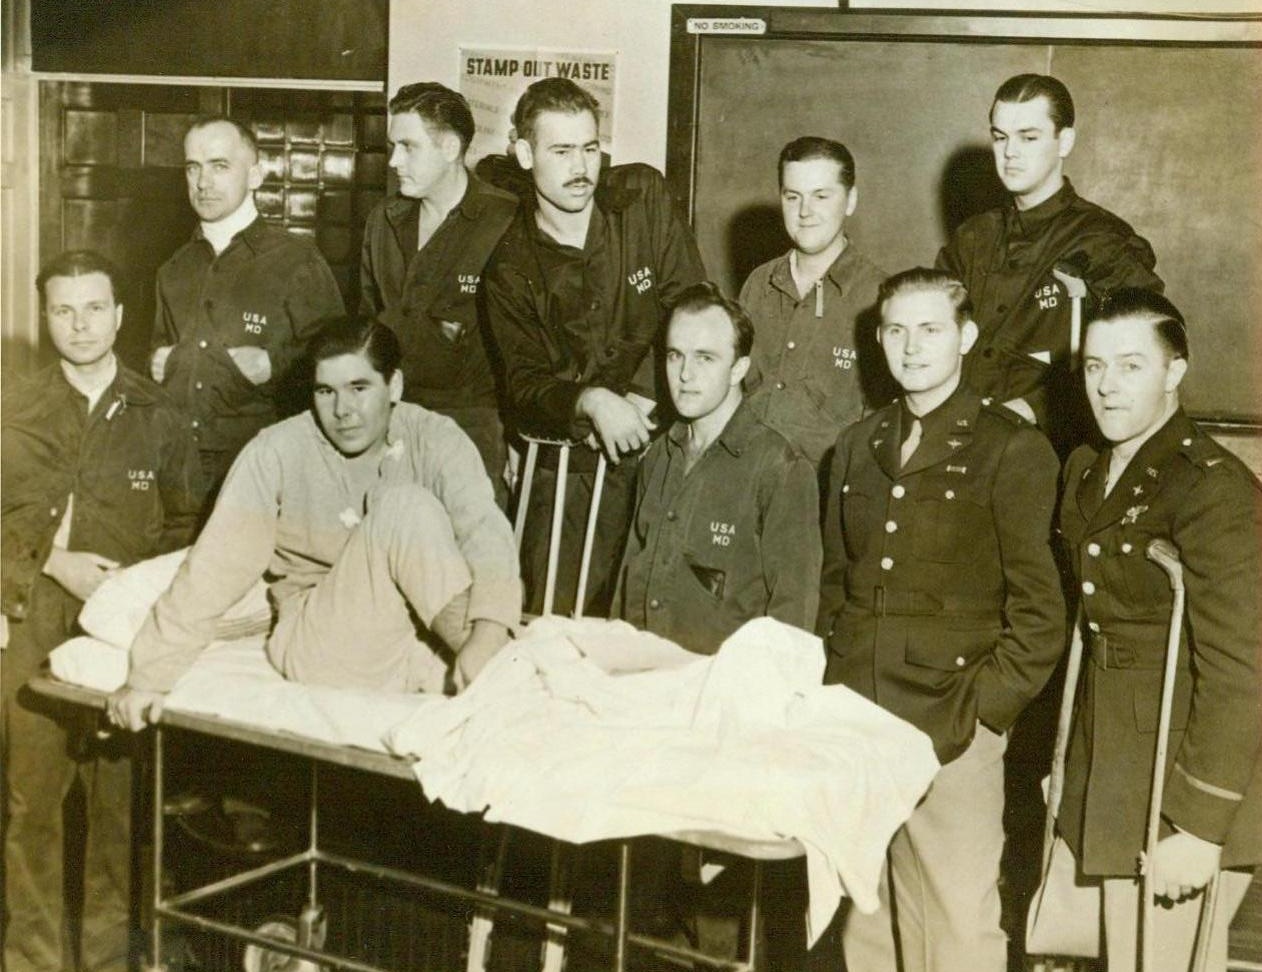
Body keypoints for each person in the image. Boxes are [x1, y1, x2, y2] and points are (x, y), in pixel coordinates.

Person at [817, 268, 1065, 972]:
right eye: (895, 330)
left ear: (966, 336)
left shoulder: (1009, 448)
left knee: (958, 926)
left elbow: (1041, 612)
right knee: (868, 918)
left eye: (930, 329)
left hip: (952, 723)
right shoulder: (855, 445)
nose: (912, 346)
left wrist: (987, 712)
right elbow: (837, 586)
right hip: (860, 714)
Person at [108, 318, 522, 731]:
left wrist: (488, 630)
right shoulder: (276, 451)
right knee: (405, 507)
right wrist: (147, 678)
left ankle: (494, 665)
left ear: (393, 386)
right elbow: (213, 569)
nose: (343, 411)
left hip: (413, 636)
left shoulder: (435, 436)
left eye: (359, 388)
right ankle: (496, 667)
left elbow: (485, 534)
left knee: (517, 695)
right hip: (320, 641)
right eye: (326, 391)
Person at [2, 251, 203, 972]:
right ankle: (30, 962)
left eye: (94, 308)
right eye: (63, 309)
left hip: (126, 638)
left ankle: (110, 961)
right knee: (31, 809)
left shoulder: (161, 414)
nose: (80, 325)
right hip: (32, 621)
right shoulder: (12, 410)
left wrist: (135, 596)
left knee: (120, 813)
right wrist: (55, 563)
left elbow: (189, 533)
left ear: (120, 315)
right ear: (44, 316)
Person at [1056, 288, 1260, 972]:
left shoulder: (1212, 488)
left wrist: (1200, 826)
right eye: (1093, 366)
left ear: (1175, 371)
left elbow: (1242, 670)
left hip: (1182, 779)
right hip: (1114, 768)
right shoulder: (1088, 469)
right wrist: (1067, 767)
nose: (1107, 386)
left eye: (1131, 365)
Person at [483, 77, 706, 616]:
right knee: (553, 625)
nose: (580, 167)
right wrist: (590, 401)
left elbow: (692, 301)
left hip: (663, 453)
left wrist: (642, 393)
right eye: (560, 151)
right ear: (523, 153)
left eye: (589, 148)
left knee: (654, 628)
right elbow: (525, 385)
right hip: (568, 473)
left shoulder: (641, 199)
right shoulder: (509, 269)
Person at [936, 74, 1163, 451]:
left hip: (1053, 448)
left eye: (1028, 137)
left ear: (1065, 141)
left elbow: (1143, 353)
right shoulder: (972, 237)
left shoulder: (1102, 240)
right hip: (963, 440)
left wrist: (1032, 408)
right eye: (1000, 137)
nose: (1010, 153)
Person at [618, 282, 821, 654]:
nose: (684, 375)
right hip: (647, 678)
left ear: (738, 368)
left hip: (726, 692)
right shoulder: (660, 456)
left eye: (705, 358)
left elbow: (793, 624)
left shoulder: (780, 470)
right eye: (675, 356)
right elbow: (629, 582)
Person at [152, 115, 345, 492]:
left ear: (255, 176)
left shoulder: (297, 261)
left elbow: (341, 361)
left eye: (219, 166)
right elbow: (157, 362)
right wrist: (160, 363)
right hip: (180, 468)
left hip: (264, 468)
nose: (203, 183)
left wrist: (275, 364)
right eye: (193, 168)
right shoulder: (172, 269)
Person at [359, 82, 518, 499]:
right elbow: (367, 319)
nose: (394, 161)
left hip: (474, 432)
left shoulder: (506, 221)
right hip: (391, 422)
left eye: (408, 147)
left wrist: (517, 435)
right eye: (393, 146)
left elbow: (525, 345)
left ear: (449, 148)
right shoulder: (383, 220)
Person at [739, 136, 887, 466]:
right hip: (745, 482)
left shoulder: (880, 296)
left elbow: (884, 425)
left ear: (850, 200)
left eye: (821, 196)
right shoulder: (758, 284)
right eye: (793, 197)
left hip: (823, 492)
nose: (805, 211)